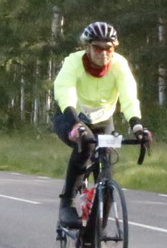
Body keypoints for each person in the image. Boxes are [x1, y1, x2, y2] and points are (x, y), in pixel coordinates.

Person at [52, 21, 151, 230]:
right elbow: (64, 92)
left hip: (103, 120)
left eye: (109, 48)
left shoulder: (119, 65)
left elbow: (129, 97)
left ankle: (98, 229)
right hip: (71, 116)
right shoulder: (73, 62)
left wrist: (137, 126)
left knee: (106, 167)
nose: (104, 53)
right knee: (86, 146)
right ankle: (67, 203)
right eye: (98, 48)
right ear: (87, 47)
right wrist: (76, 123)